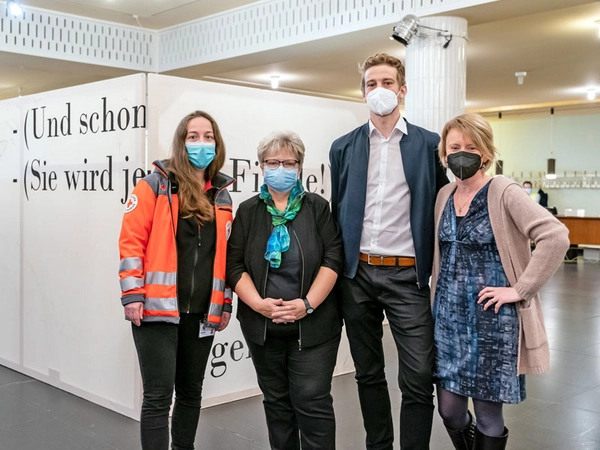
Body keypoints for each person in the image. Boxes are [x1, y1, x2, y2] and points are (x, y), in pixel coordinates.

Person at [329, 52, 449, 450]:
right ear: (362, 91)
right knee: (368, 372)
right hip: (357, 275)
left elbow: (444, 201)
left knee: (418, 375)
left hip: (408, 277)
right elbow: (338, 209)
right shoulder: (343, 147)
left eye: (386, 83)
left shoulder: (430, 145)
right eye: (370, 84)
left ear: (403, 90)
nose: (378, 90)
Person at [431, 113, 569, 450]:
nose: (461, 153)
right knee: (449, 410)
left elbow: (555, 236)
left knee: (489, 414)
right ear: (444, 153)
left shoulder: (503, 191)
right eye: (454, 147)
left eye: (471, 146)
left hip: (491, 321)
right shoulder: (444, 194)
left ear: (486, 153)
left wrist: (519, 289)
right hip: (448, 321)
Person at [118, 110, 234, 450]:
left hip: (201, 313)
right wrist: (132, 295)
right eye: (193, 136)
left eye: (208, 136)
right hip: (156, 310)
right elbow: (130, 243)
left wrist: (225, 302)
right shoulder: (154, 185)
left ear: (217, 142)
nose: (201, 143)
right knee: (157, 397)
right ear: (181, 143)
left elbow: (226, 257)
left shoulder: (222, 194)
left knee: (191, 393)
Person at [227, 130, 343, 450]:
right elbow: (234, 265)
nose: (281, 168)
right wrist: (258, 304)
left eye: (289, 162)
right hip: (263, 326)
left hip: (314, 325)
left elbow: (333, 258)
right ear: (261, 166)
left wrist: (306, 304)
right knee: (277, 404)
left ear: (300, 166)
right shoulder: (248, 211)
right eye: (273, 162)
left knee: (312, 401)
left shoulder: (317, 207)